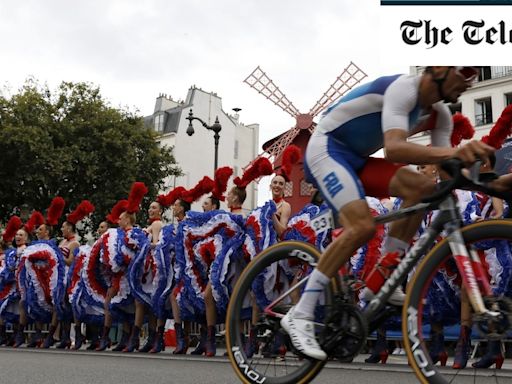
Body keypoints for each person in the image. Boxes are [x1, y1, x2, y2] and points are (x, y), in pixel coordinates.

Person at [280, 66, 510, 360]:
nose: (471, 80)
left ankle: (381, 279)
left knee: (424, 189)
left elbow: (448, 173)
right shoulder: (404, 89)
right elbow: (394, 148)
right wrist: (456, 152)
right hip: (326, 149)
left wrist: (496, 184)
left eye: (476, 75)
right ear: (439, 69)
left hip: (358, 159)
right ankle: (300, 314)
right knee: (361, 227)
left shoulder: (441, 115)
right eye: (465, 71)